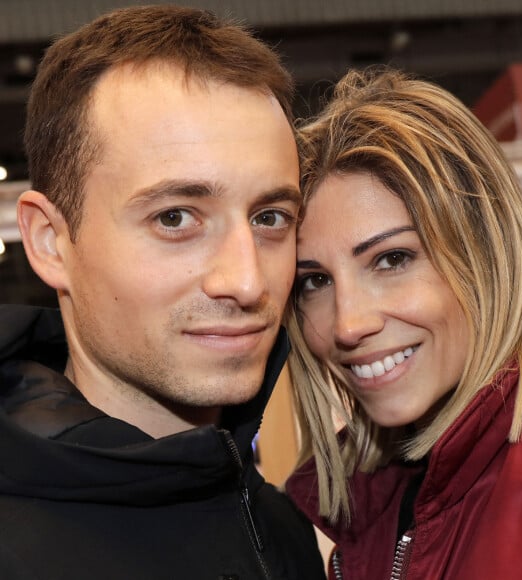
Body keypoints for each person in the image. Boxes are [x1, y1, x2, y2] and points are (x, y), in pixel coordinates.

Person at [0, 5, 326, 579]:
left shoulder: (284, 530)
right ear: (51, 242)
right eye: (176, 218)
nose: (247, 281)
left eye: (270, 217)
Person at [284, 66, 522, 579]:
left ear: (487, 259)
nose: (348, 324)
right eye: (314, 282)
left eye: (392, 259)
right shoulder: (370, 514)